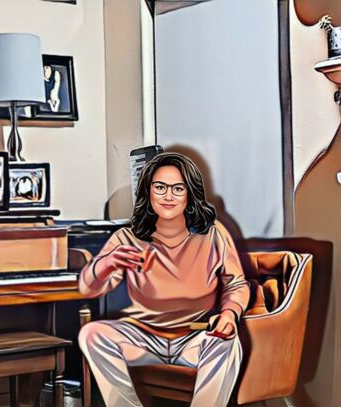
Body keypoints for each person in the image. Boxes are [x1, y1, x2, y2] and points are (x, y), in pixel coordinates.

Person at [78, 152, 250, 407]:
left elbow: (236, 284)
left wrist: (229, 315)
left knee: (228, 343)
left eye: (178, 189)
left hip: (194, 338)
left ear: (190, 194)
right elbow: (87, 288)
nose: (168, 196)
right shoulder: (127, 238)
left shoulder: (213, 234)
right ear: (148, 192)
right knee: (92, 334)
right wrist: (107, 263)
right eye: (160, 187)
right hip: (142, 340)